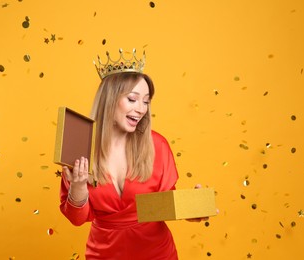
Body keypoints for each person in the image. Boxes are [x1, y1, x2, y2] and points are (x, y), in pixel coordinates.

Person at [59, 49, 207, 259]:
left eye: (146, 101)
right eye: (132, 99)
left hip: (157, 253)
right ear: (109, 100)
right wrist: (78, 186)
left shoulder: (157, 145)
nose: (141, 109)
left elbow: (165, 203)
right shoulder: (80, 146)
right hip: (104, 254)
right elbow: (77, 219)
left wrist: (192, 208)